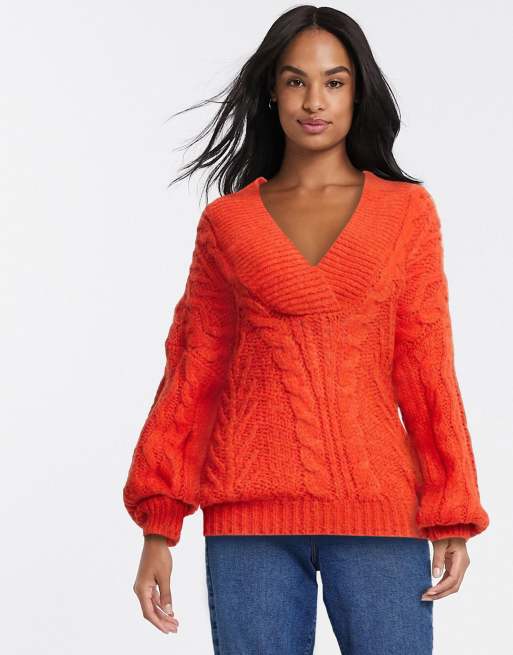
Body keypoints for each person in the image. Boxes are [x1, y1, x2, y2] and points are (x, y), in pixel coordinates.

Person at [122, 6, 490, 654]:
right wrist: (159, 524)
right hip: (247, 523)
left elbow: (426, 367)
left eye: (333, 82)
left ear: (357, 92)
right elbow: (192, 374)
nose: (313, 100)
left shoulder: (407, 213)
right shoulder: (227, 225)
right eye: (295, 81)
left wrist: (451, 510)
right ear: (272, 91)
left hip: (380, 516)